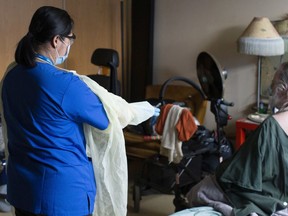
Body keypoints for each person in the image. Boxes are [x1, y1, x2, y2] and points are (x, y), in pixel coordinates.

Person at [0, 6, 157, 216]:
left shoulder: (11, 76)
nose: (69, 46)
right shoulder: (66, 84)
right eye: (70, 40)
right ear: (57, 40)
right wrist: (149, 110)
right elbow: (108, 119)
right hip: (62, 196)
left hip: (22, 191)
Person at [185, 62, 288, 216]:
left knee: (197, 191)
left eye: (273, 85)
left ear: (282, 88)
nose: (272, 90)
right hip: (281, 195)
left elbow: (237, 176)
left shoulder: (272, 127)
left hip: (265, 198)